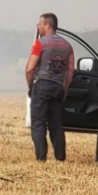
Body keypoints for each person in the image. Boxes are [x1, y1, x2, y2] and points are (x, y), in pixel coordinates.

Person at [25, 13, 74, 161]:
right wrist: (64, 88)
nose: (38, 27)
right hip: (58, 87)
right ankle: (60, 158)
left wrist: (30, 86)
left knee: (38, 122)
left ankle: (41, 158)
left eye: (39, 24)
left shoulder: (40, 43)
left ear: (47, 25)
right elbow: (71, 71)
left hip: (42, 85)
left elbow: (29, 69)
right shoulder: (67, 46)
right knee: (56, 125)